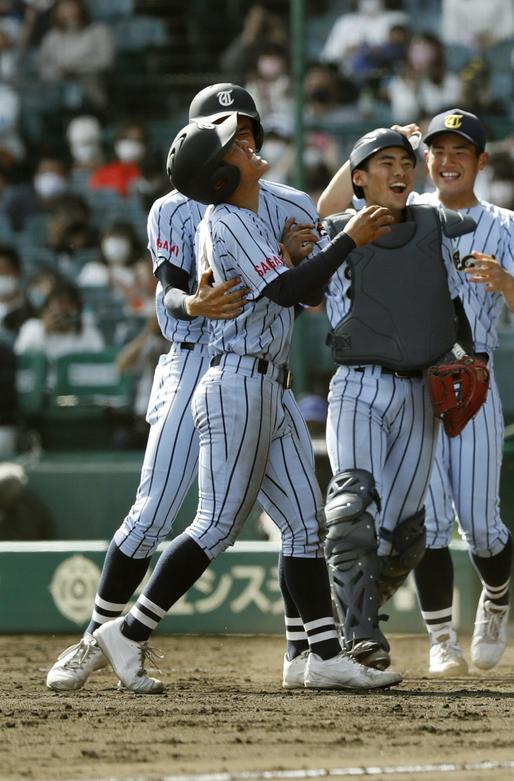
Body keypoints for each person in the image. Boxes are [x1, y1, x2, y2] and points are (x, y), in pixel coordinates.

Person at [43, 85, 352, 693]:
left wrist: (299, 257)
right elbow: (167, 302)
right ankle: (98, 638)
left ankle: (307, 648)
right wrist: (192, 301)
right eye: (223, 128)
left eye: (245, 127)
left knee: (297, 517)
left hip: (263, 363)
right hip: (194, 360)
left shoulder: (286, 199)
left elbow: (306, 294)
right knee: (157, 510)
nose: (240, 135)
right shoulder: (172, 208)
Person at [313, 128, 479, 671]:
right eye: (384, 163)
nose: (400, 171)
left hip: (419, 394)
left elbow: (453, 306)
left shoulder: (435, 224)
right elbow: (323, 212)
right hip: (360, 385)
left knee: (407, 534)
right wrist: (355, 159)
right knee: (352, 507)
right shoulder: (339, 232)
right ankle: (360, 634)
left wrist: (468, 356)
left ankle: (350, 613)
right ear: (359, 177)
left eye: (406, 162)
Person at [407, 111, 514, 676]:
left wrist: (506, 281)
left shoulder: (506, 223)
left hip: (473, 378)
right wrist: (380, 150)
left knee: (483, 526)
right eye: (438, 149)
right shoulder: (406, 212)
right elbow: (327, 213)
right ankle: (442, 639)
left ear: (482, 161)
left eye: (460, 151)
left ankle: (495, 599)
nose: (447, 159)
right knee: (428, 520)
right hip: (411, 381)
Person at [35, 0, 114, 110]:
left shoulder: (99, 30)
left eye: (72, 7)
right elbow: (42, 65)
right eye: (64, 8)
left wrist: (75, 67)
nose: (68, 12)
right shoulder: (52, 36)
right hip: (57, 91)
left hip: (91, 90)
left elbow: (106, 61)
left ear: (82, 8)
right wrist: (58, 72)